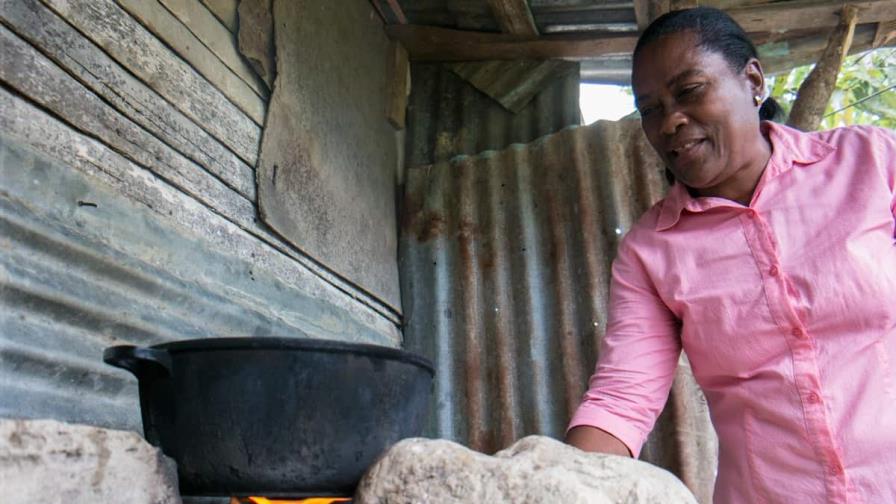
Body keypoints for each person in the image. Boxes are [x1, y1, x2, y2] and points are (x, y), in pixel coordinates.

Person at [565, 7, 896, 503]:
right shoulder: (652, 252)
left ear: (754, 81)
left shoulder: (870, 163)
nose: (670, 121)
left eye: (690, 91)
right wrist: (558, 484)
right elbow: (622, 400)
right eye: (650, 109)